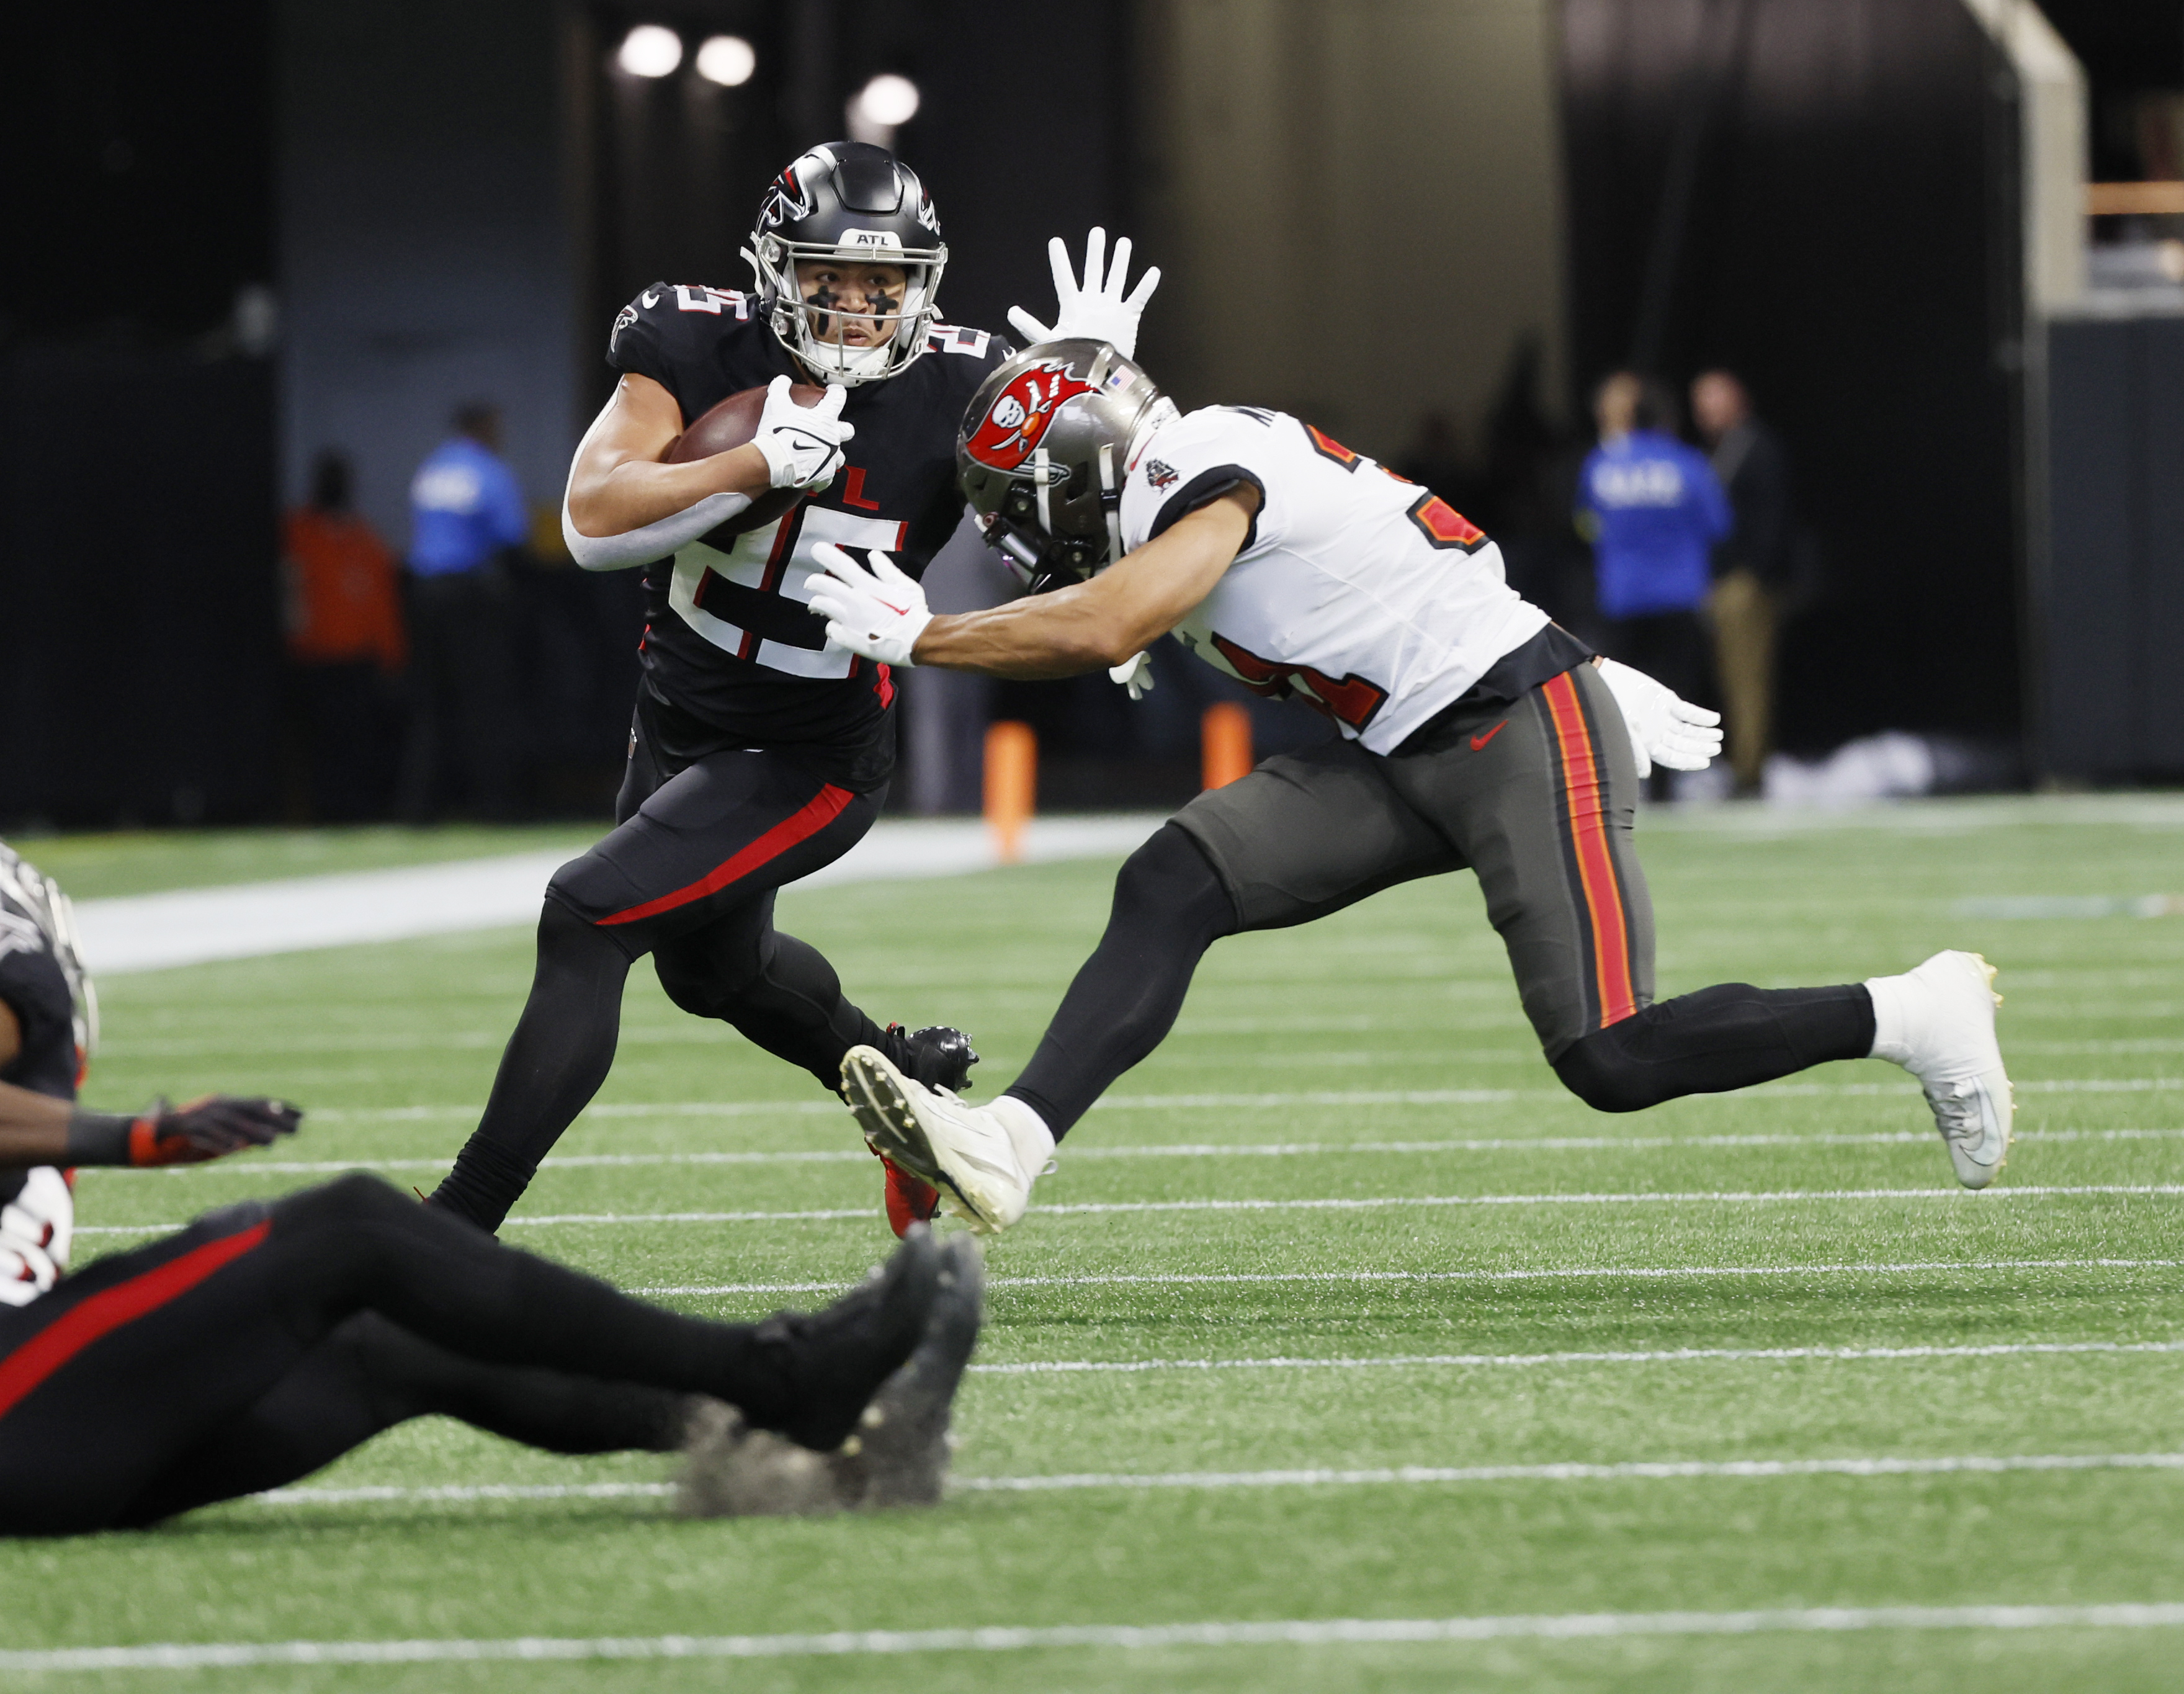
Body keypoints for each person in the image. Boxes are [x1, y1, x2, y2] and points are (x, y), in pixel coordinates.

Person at [804, 333, 2016, 1234]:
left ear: (1077, 470)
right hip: (1407, 742)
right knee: (1175, 877)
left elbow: (1114, 611)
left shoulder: (1196, 464)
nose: (1018, 534)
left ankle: (1911, 1010)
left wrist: (927, 633)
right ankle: (1011, 1140)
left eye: (1020, 504)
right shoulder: (1183, 466)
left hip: (1510, 722)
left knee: (1610, 1055)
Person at [0, 807, 982, 1545]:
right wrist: (128, 1135)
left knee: (390, 1346)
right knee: (347, 1225)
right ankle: (782, 1372)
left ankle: (769, 1440)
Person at [422, 141, 1034, 1234]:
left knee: (587, 915)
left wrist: (1094, 386)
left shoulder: (962, 384)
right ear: (773, 271)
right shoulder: (692, 342)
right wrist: (749, 465)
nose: (856, 310)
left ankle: (454, 1227)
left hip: (813, 749)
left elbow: (1097, 499)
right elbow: (593, 521)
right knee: (715, 974)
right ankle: (904, 1084)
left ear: (920, 288)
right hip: (681, 713)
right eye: (827, 281)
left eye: (883, 285)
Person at [1573, 371, 1728, 781]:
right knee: (1678, 689)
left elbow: (1585, 523)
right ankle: (1679, 781)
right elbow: (1717, 525)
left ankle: (1633, 778)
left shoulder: (1602, 464)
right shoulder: (1687, 463)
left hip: (1622, 594)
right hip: (1680, 594)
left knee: (1625, 693)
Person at [400, 403, 526, 821]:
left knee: (430, 704)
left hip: (422, 592)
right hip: (468, 595)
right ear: (482, 427)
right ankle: (490, 804)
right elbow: (511, 538)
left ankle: (419, 806)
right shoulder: (489, 471)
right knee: (482, 700)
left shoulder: (433, 469)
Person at [281, 449, 407, 821]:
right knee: (317, 742)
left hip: (357, 659)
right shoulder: (297, 533)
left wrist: (391, 654)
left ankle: (355, 809)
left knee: (357, 741)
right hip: (314, 657)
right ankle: (318, 809)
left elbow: (383, 602)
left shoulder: (364, 539)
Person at [1691, 369, 1792, 797]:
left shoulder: (1756, 447)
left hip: (1742, 584)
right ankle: (1739, 761)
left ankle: (1749, 769)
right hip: (1716, 584)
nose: (1707, 412)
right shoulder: (1717, 451)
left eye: (1715, 401)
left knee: (1747, 676)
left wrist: (1751, 573)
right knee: (1726, 676)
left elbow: (1771, 518)